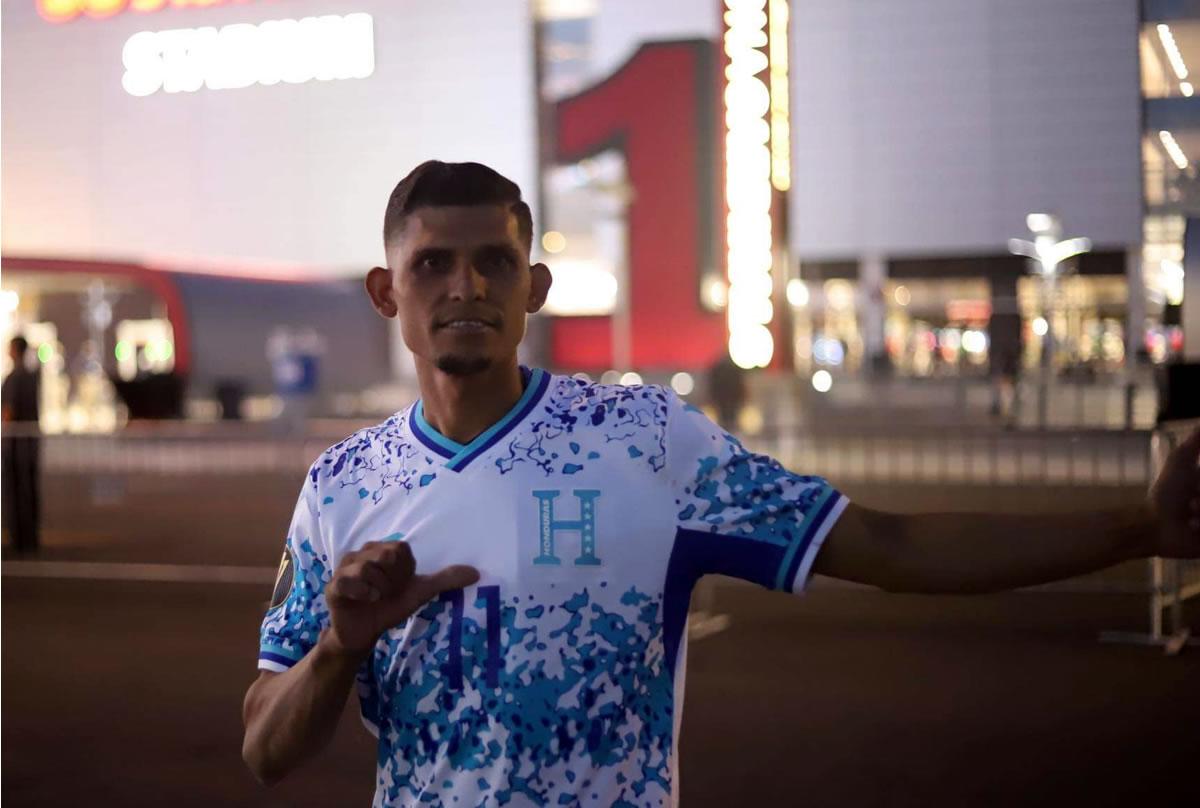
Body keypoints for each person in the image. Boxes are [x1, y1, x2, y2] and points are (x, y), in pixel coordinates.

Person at [241, 161, 1200, 807]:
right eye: (432, 265)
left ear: (532, 288)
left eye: (493, 262)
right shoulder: (341, 485)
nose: (465, 288)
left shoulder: (645, 442)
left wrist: (1137, 529)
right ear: (387, 291)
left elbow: (891, 546)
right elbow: (264, 746)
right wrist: (337, 647)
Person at [2, 336, 42, 556]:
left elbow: (8, 411)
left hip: (15, 446)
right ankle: (31, 537)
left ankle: (19, 538)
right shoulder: (32, 377)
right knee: (30, 491)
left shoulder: (13, 378)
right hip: (31, 445)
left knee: (15, 492)